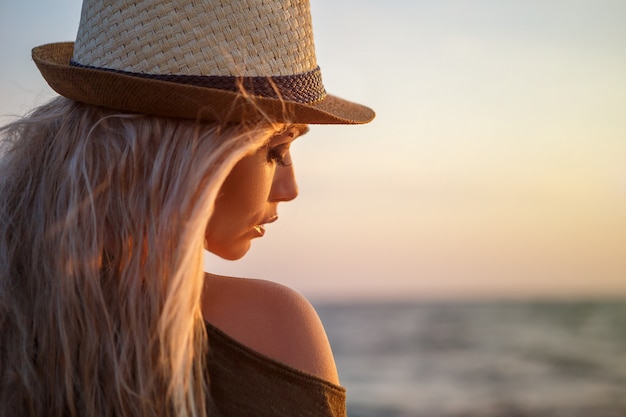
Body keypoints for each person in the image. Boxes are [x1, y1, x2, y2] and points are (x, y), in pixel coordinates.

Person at [0, 1, 374, 417]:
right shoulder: (272, 327)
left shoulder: (20, 315)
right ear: (191, 151)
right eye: (276, 149)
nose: (290, 189)